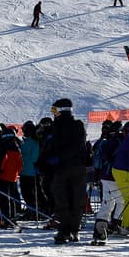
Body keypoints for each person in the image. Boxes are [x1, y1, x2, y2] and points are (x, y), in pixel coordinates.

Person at [45, 98, 88, 244]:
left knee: (76, 200)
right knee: (61, 200)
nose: (53, 114)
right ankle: (63, 231)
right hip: (60, 170)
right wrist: (43, 162)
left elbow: (77, 146)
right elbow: (49, 147)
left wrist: (60, 158)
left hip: (76, 168)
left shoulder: (77, 126)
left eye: (55, 110)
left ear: (63, 110)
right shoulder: (54, 127)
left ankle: (74, 230)